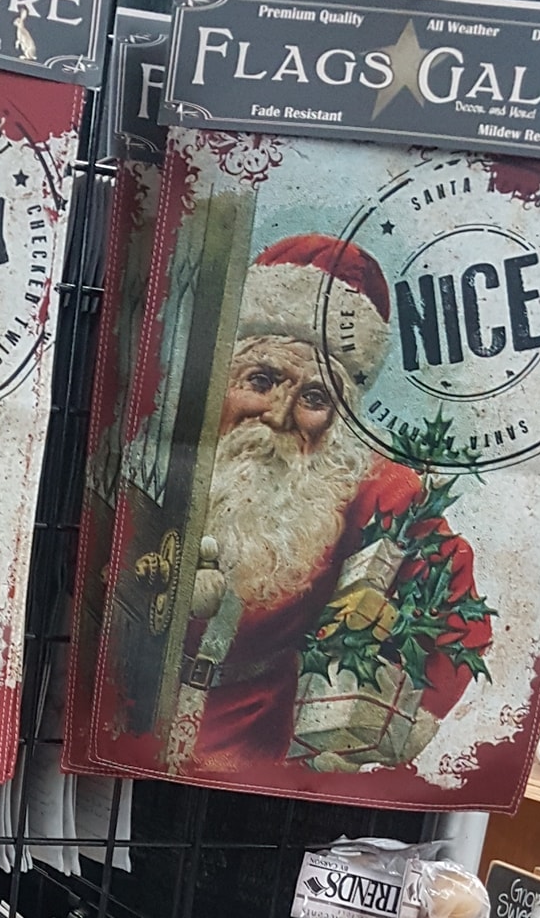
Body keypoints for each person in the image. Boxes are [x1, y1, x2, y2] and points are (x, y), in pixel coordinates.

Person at [184, 234, 491, 774]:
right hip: (128, 729)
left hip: (263, 754)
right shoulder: (166, 449)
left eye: (314, 397)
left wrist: (379, 732)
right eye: (262, 380)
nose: (279, 416)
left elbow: (456, 615)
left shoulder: (372, 488)